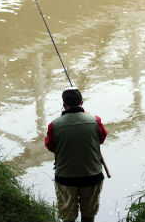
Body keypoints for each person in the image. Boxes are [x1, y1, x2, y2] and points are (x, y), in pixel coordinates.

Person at [45, 87, 108, 222]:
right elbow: (101, 139)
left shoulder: (54, 125)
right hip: (92, 176)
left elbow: (51, 147)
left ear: (64, 105)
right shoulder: (95, 120)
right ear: (82, 102)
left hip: (66, 178)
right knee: (89, 215)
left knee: (68, 216)